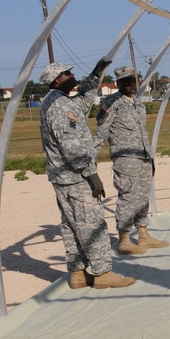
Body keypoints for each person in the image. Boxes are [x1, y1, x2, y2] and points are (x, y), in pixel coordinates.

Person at [39, 60, 134, 290]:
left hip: (62, 178)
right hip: (76, 177)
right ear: (58, 79)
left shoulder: (55, 101)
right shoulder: (61, 107)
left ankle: (78, 273)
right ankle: (103, 273)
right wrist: (91, 174)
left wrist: (95, 75)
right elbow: (72, 146)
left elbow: (83, 101)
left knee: (71, 225)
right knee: (92, 224)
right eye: (68, 73)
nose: (73, 75)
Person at [95, 66, 168, 255]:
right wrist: (90, 160)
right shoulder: (110, 103)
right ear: (117, 83)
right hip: (126, 159)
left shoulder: (137, 103)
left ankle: (143, 235)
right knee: (128, 197)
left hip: (144, 157)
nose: (128, 83)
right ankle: (124, 239)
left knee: (143, 197)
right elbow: (101, 133)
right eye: (123, 81)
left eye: (130, 80)